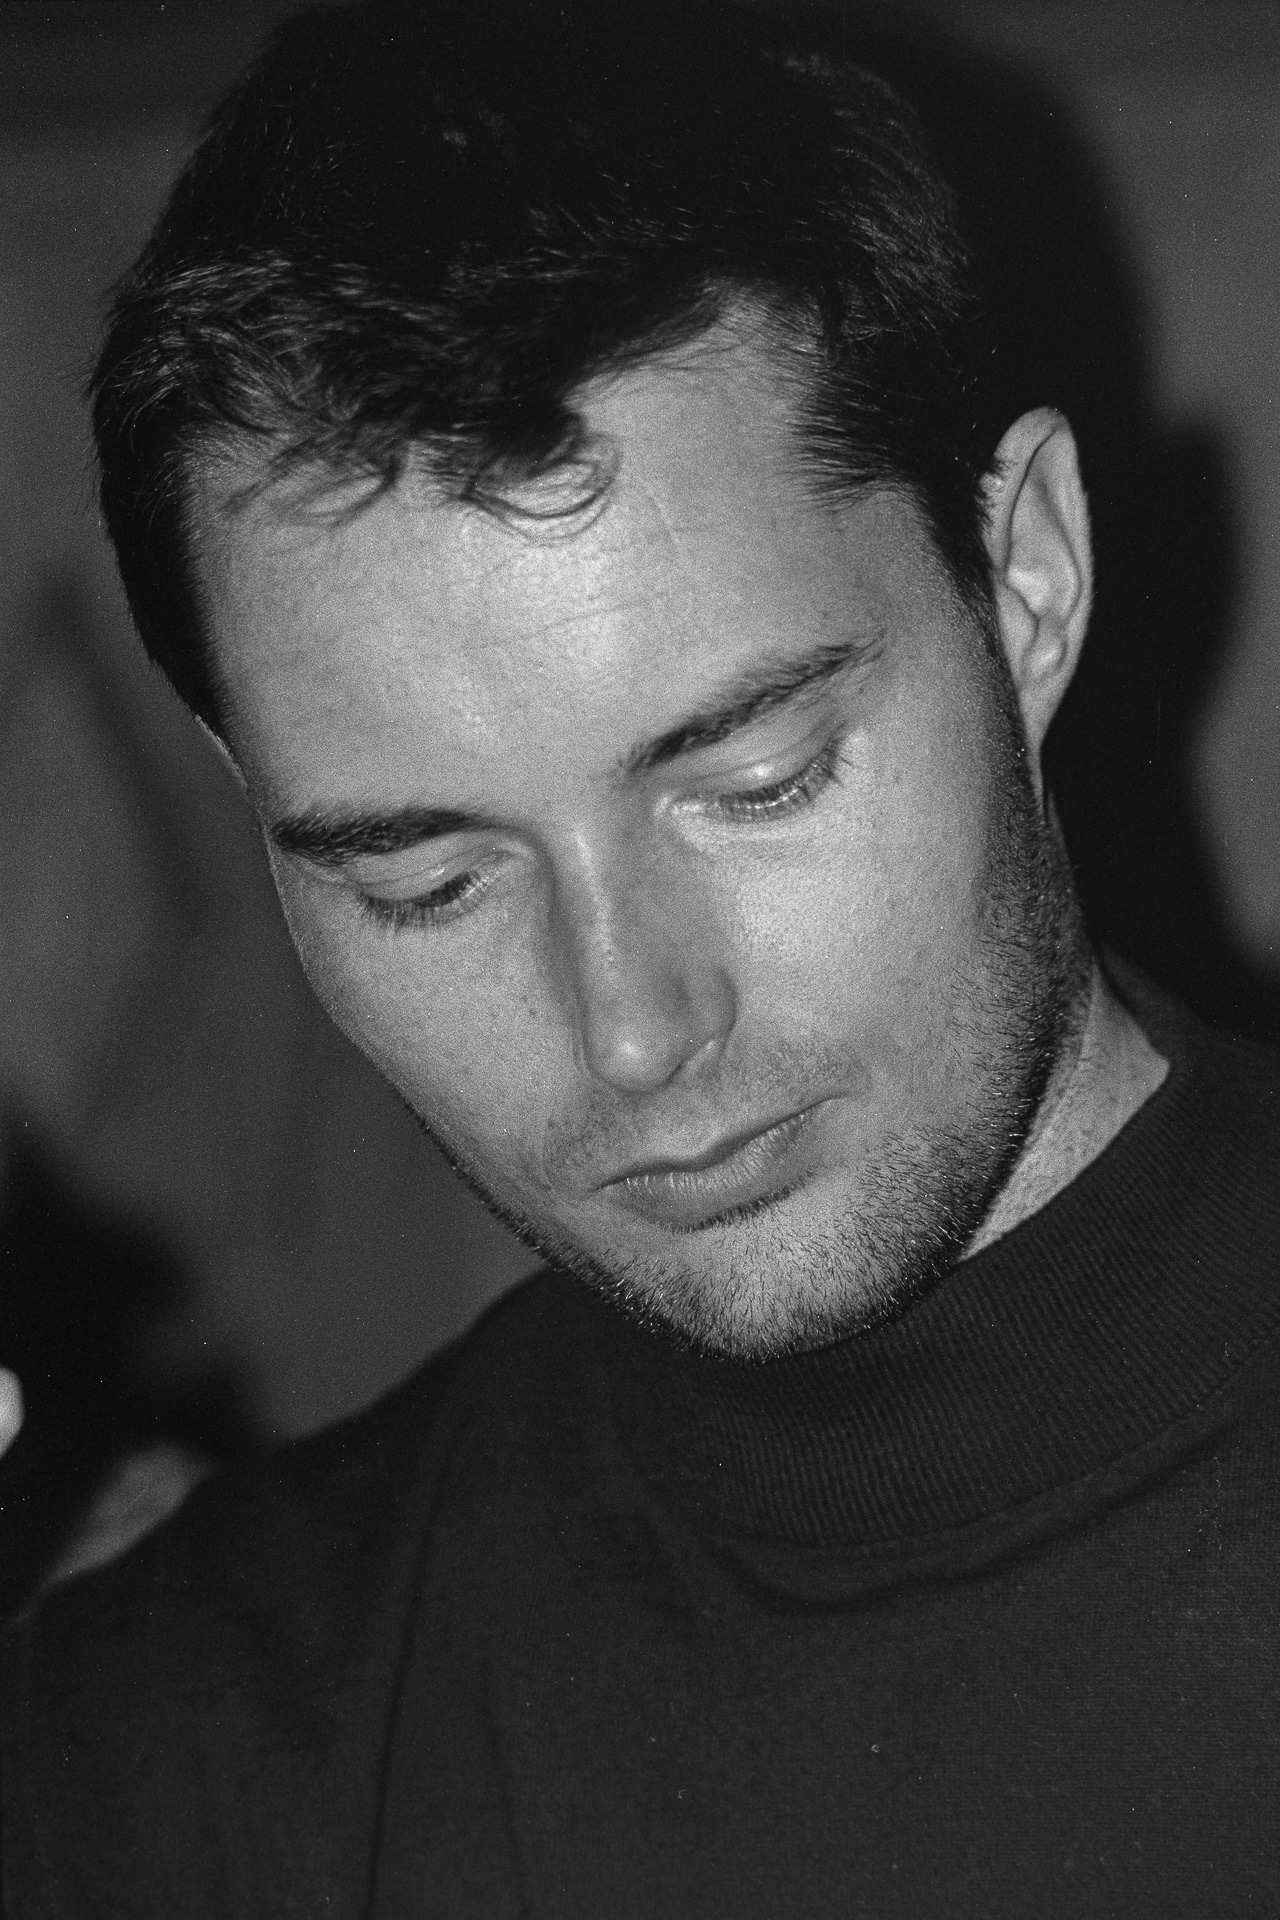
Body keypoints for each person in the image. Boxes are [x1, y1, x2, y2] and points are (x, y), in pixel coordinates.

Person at [2, 2, 1277, 1912]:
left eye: (754, 782)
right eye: (428, 882)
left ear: (1025, 579)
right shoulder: (166, 1745)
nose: (633, 1029)